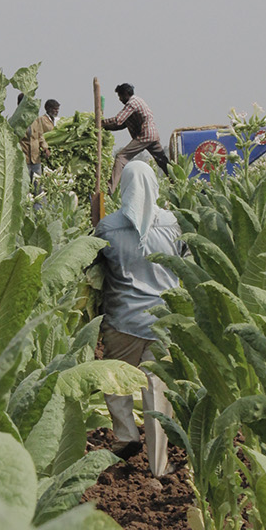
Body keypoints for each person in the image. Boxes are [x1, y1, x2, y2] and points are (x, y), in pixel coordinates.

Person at [94, 159, 181, 474]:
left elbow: (94, 261)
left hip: (122, 320)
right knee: (157, 391)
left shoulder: (108, 226)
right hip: (163, 321)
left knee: (115, 378)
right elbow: (185, 260)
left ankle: (126, 435)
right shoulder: (174, 223)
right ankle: (159, 464)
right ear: (154, 186)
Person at [102, 83, 169, 191]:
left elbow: (118, 120)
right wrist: (106, 127)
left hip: (145, 135)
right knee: (163, 162)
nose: (120, 99)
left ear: (125, 94)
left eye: (120, 96)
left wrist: (100, 123)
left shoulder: (132, 103)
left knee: (121, 157)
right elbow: (122, 125)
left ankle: (109, 189)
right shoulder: (137, 102)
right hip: (153, 135)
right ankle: (177, 181)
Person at [22, 98, 59, 182]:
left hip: (36, 157)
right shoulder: (18, 121)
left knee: (38, 183)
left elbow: (40, 136)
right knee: (25, 183)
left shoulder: (35, 121)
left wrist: (45, 148)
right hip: (25, 158)